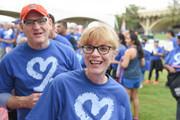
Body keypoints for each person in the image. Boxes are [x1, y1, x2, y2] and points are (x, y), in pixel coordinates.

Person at [26, 24, 132, 120]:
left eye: (103, 48)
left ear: (114, 54)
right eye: (89, 47)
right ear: (82, 50)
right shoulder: (62, 84)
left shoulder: (120, 93)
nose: (95, 54)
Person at [0, 3, 82, 120]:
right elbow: (1, 94)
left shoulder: (67, 52)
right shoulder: (9, 59)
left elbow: (80, 87)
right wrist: (24, 101)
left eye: (41, 21)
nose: (37, 27)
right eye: (29, 22)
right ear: (21, 27)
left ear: (49, 24)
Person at [120, 32, 145, 120]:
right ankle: (136, 117)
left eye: (127, 39)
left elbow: (124, 65)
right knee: (135, 97)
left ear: (133, 41)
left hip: (128, 77)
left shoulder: (129, 51)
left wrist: (120, 62)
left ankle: (126, 117)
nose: (126, 40)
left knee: (127, 98)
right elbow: (143, 63)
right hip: (137, 77)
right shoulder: (140, 49)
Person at [164, 32, 180, 120]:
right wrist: (169, 68)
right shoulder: (174, 51)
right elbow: (165, 64)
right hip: (173, 78)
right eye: (178, 38)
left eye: (179, 38)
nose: (178, 40)